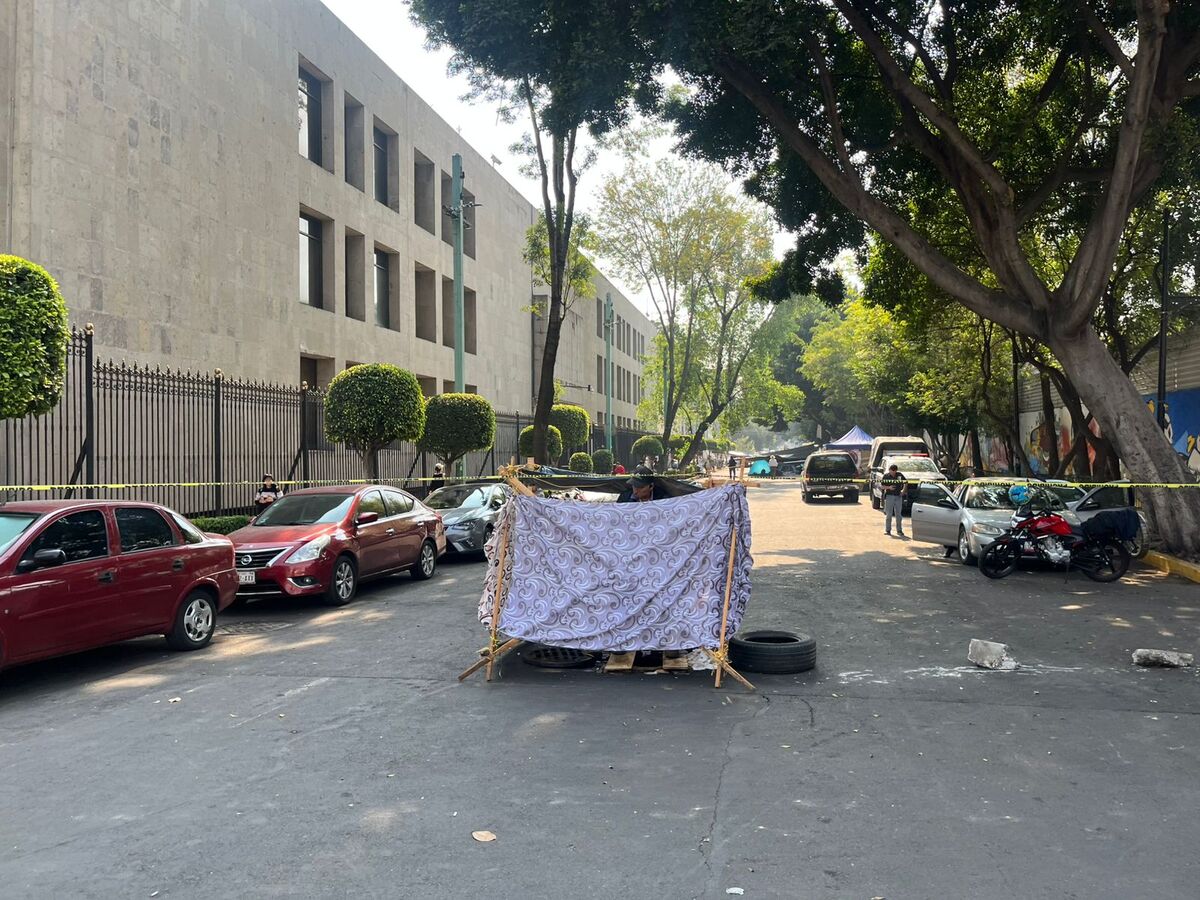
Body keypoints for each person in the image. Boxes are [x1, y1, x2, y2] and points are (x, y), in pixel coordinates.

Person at [881, 463, 907, 537]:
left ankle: (899, 530)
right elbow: (882, 486)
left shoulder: (899, 475)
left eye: (894, 471)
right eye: (891, 471)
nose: (893, 473)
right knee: (889, 514)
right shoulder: (886, 476)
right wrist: (888, 487)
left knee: (898, 515)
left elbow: (906, 482)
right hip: (889, 496)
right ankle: (888, 530)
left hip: (898, 496)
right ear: (889, 470)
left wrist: (903, 491)